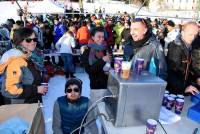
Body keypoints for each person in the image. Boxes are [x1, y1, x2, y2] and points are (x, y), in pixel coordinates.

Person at [0, 27, 48, 104]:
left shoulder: (29, 57)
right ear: (19, 42)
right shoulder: (16, 60)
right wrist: (36, 89)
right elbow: (11, 89)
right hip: (20, 107)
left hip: (30, 101)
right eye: (28, 40)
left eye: (34, 39)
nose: (33, 42)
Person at [167, 21, 199, 95]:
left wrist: (197, 78)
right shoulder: (176, 47)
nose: (193, 38)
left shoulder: (188, 46)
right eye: (190, 34)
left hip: (182, 88)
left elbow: (189, 67)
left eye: (195, 35)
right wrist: (183, 88)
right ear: (183, 33)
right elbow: (171, 72)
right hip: (173, 91)